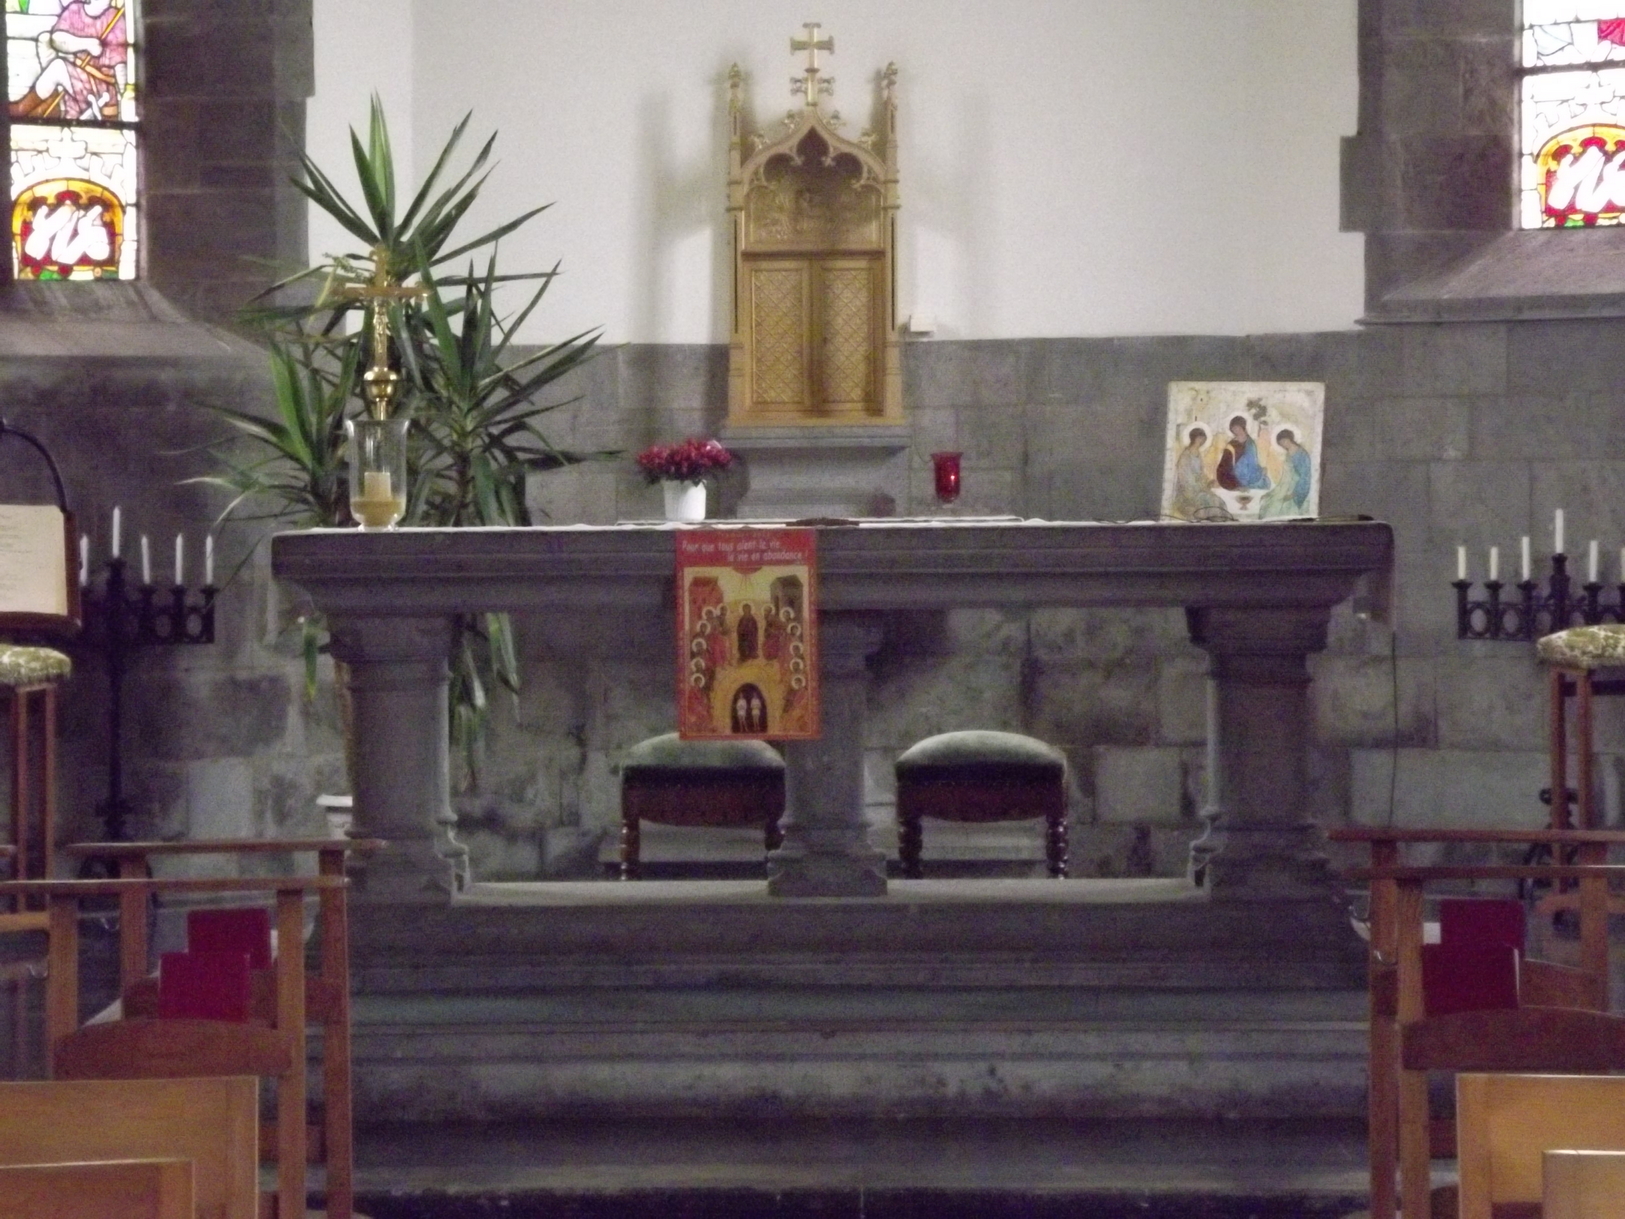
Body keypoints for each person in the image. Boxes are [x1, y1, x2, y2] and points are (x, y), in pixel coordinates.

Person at [10, 0, 130, 122]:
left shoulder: (116, 18)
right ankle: (22, 111)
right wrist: (86, 44)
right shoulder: (75, 9)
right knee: (58, 68)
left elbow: (121, 66)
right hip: (77, 74)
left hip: (102, 88)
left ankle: (22, 109)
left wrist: (124, 98)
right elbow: (56, 39)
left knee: (58, 68)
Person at [1169, 427, 1233, 522]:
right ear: (1195, 438)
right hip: (1188, 492)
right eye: (1201, 438)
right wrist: (1202, 486)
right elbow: (1185, 479)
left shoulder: (1198, 454)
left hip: (1200, 489)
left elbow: (1201, 473)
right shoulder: (1185, 456)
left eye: (1203, 439)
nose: (1202, 441)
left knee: (1219, 501)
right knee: (1211, 501)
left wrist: (1209, 481)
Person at [1259, 429, 1312, 518]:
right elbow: (1286, 475)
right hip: (1285, 486)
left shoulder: (1302, 454)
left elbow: (1305, 477)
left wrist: (1294, 494)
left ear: (1290, 438)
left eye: (1284, 441)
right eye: (1281, 443)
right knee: (1268, 504)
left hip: (1296, 489)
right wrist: (1275, 491)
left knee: (1282, 509)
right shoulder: (1288, 454)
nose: (1284, 444)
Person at [1215, 416, 1270, 492]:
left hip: (1252, 474)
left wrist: (1260, 470)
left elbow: (1253, 463)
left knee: (1266, 483)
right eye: (1234, 429)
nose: (1237, 431)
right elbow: (1224, 466)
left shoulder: (1251, 443)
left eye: (1238, 428)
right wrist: (1233, 484)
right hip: (1237, 477)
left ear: (1243, 427)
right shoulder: (1231, 445)